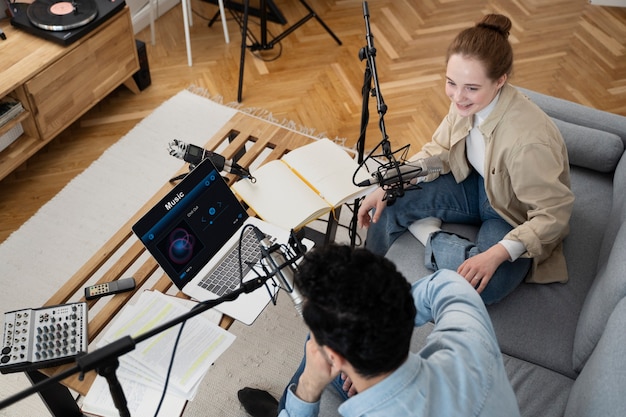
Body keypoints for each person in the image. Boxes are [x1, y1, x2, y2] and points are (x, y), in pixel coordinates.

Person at [357, 14, 574, 304]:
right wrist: (396, 179)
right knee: (389, 202)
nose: (458, 97)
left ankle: (428, 236)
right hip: (475, 185)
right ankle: (362, 276)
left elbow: (554, 214)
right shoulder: (464, 104)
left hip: (512, 215)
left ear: (500, 80)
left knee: (489, 283)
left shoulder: (528, 142)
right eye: (451, 82)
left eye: (471, 88)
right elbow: (441, 153)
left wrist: (496, 254)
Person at [238, 243, 520, 417]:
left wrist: (311, 384)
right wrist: (385, 310)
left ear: (335, 360)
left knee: (315, 340)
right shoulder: (470, 342)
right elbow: (447, 284)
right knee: (321, 336)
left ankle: (288, 407)